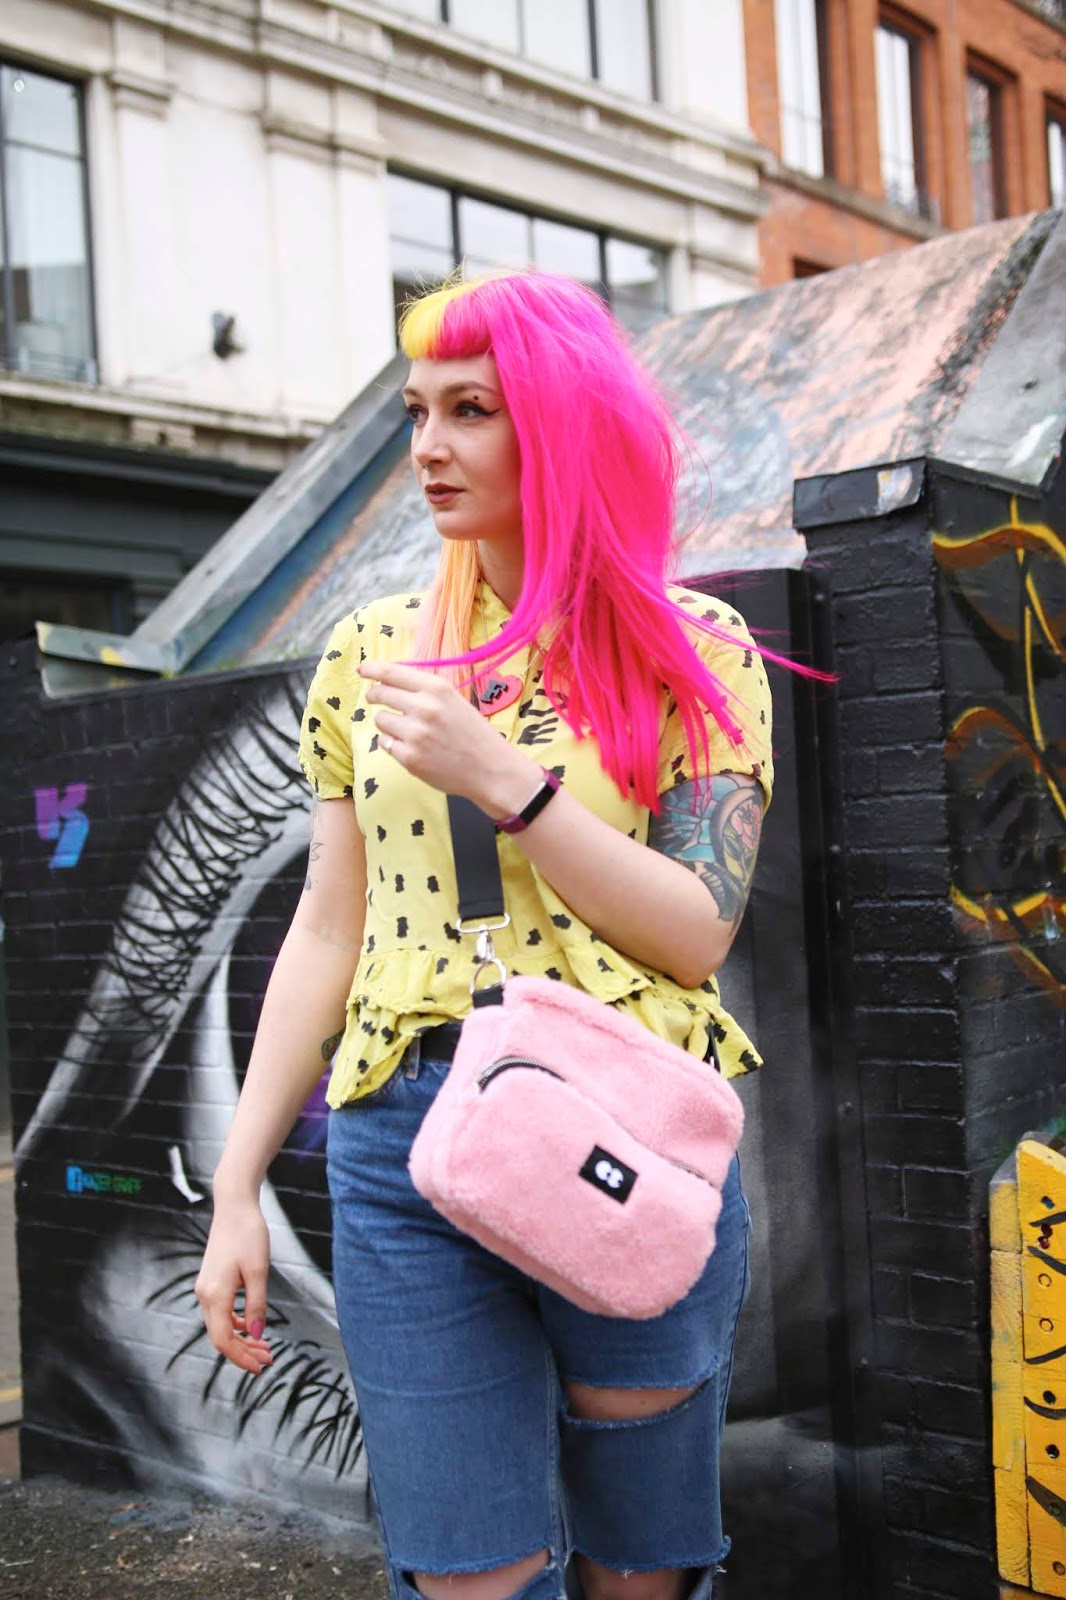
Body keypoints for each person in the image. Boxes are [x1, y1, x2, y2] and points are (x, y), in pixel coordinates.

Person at [196, 270, 774, 1600]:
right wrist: (234, 1187)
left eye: (471, 410)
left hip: (622, 1129)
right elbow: (327, 930)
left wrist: (508, 782)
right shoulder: (370, 655)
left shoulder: (694, 646)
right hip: (403, 1138)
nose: (427, 447)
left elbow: (697, 931)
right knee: (469, 1572)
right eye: (416, 412)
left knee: (640, 1563)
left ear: (560, 424)